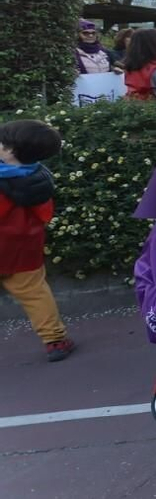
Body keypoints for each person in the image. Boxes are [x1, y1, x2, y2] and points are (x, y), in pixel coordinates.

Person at [0, 120, 74, 362]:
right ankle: (55, 340)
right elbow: (45, 214)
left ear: (9, 151)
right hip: (23, 250)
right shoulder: (39, 177)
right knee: (35, 294)